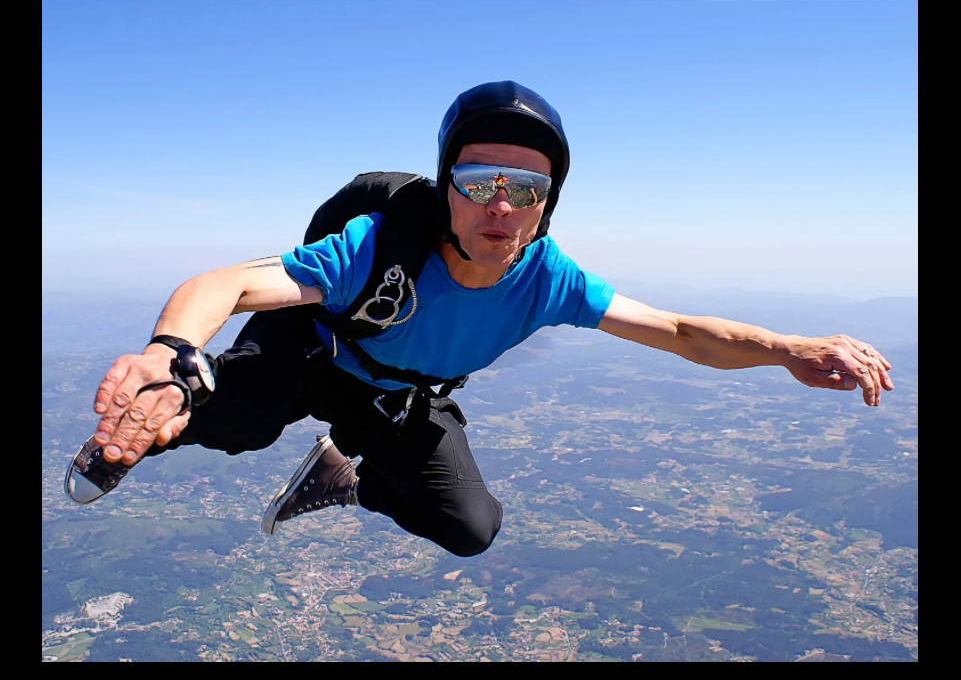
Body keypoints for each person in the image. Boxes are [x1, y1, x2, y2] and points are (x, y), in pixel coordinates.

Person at [66, 81, 894, 558]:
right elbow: (227, 285)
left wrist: (784, 349)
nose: (500, 206)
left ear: (547, 207)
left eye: (525, 190)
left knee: (469, 527)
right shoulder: (379, 246)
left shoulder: (545, 280)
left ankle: (341, 471)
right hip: (316, 352)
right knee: (232, 415)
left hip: (394, 395)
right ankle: (152, 423)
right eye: (478, 182)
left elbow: (677, 332)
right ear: (445, 186)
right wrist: (170, 351)